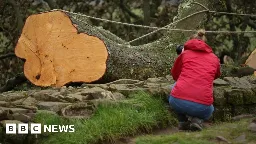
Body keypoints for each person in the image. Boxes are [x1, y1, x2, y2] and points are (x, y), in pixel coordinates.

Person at [169, 29, 221, 131]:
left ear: (189, 42)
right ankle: (197, 120)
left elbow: (174, 74)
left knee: (174, 87)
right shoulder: (214, 58)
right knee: (211, 109)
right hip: (203, 108)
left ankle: (182, 122)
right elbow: (216, 75)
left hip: (177, 101)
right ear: (205, 43)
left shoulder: (184, 54)